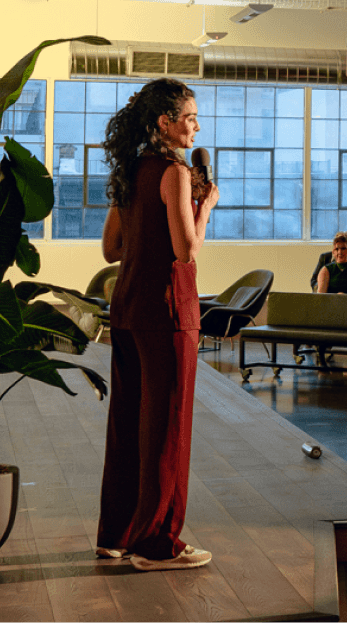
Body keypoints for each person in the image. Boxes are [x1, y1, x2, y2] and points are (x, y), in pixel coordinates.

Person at [97, 78, 216, 571]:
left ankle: (116, 536)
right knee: (166, 430)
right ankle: (156, 545)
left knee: (127, 427)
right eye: (189, 117)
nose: (196, 125)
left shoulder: (131, 168)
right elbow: (186, 251)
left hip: (126, 309)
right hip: (166, 313)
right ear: (165, 123)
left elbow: (111, 249)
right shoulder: (174, 172)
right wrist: (204, 207)